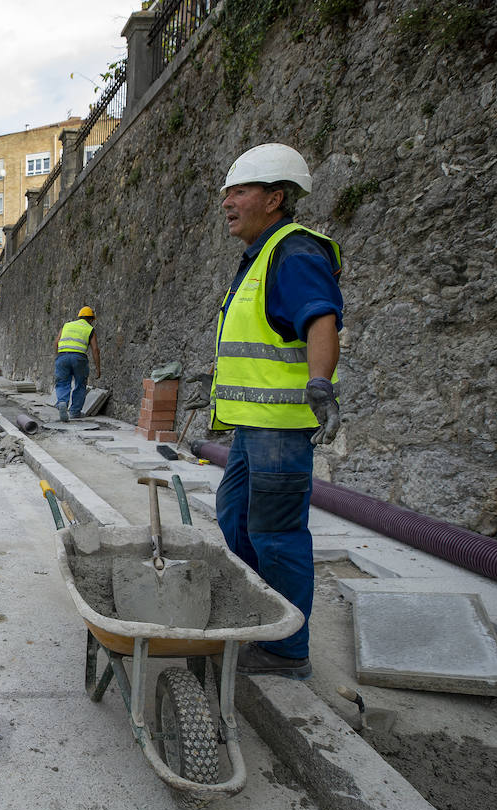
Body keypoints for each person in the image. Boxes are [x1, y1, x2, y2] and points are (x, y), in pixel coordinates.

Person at [211, 143, 344, 681]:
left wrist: (319, 383)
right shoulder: (261, 256)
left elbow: (320, 319)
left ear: (275, 198)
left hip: (281, 429)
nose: (227, 202)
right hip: (253, 428)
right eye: (227, 192)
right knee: (235, 517)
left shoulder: (294, 251)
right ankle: (260, 614)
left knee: (276, 535)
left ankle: (287, 650)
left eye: (239, 191)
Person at [54, 305, 102, 421]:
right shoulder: (90, 329)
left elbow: (56, 342)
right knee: (80, 384)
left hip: (62, 356)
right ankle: (75, 412)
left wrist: (58, 357)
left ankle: (62, 402)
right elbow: (95, 349)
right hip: (79, 358)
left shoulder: (67, 325)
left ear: (79, 316)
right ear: (91, 319)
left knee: (62, 382)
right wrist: (98, 368)